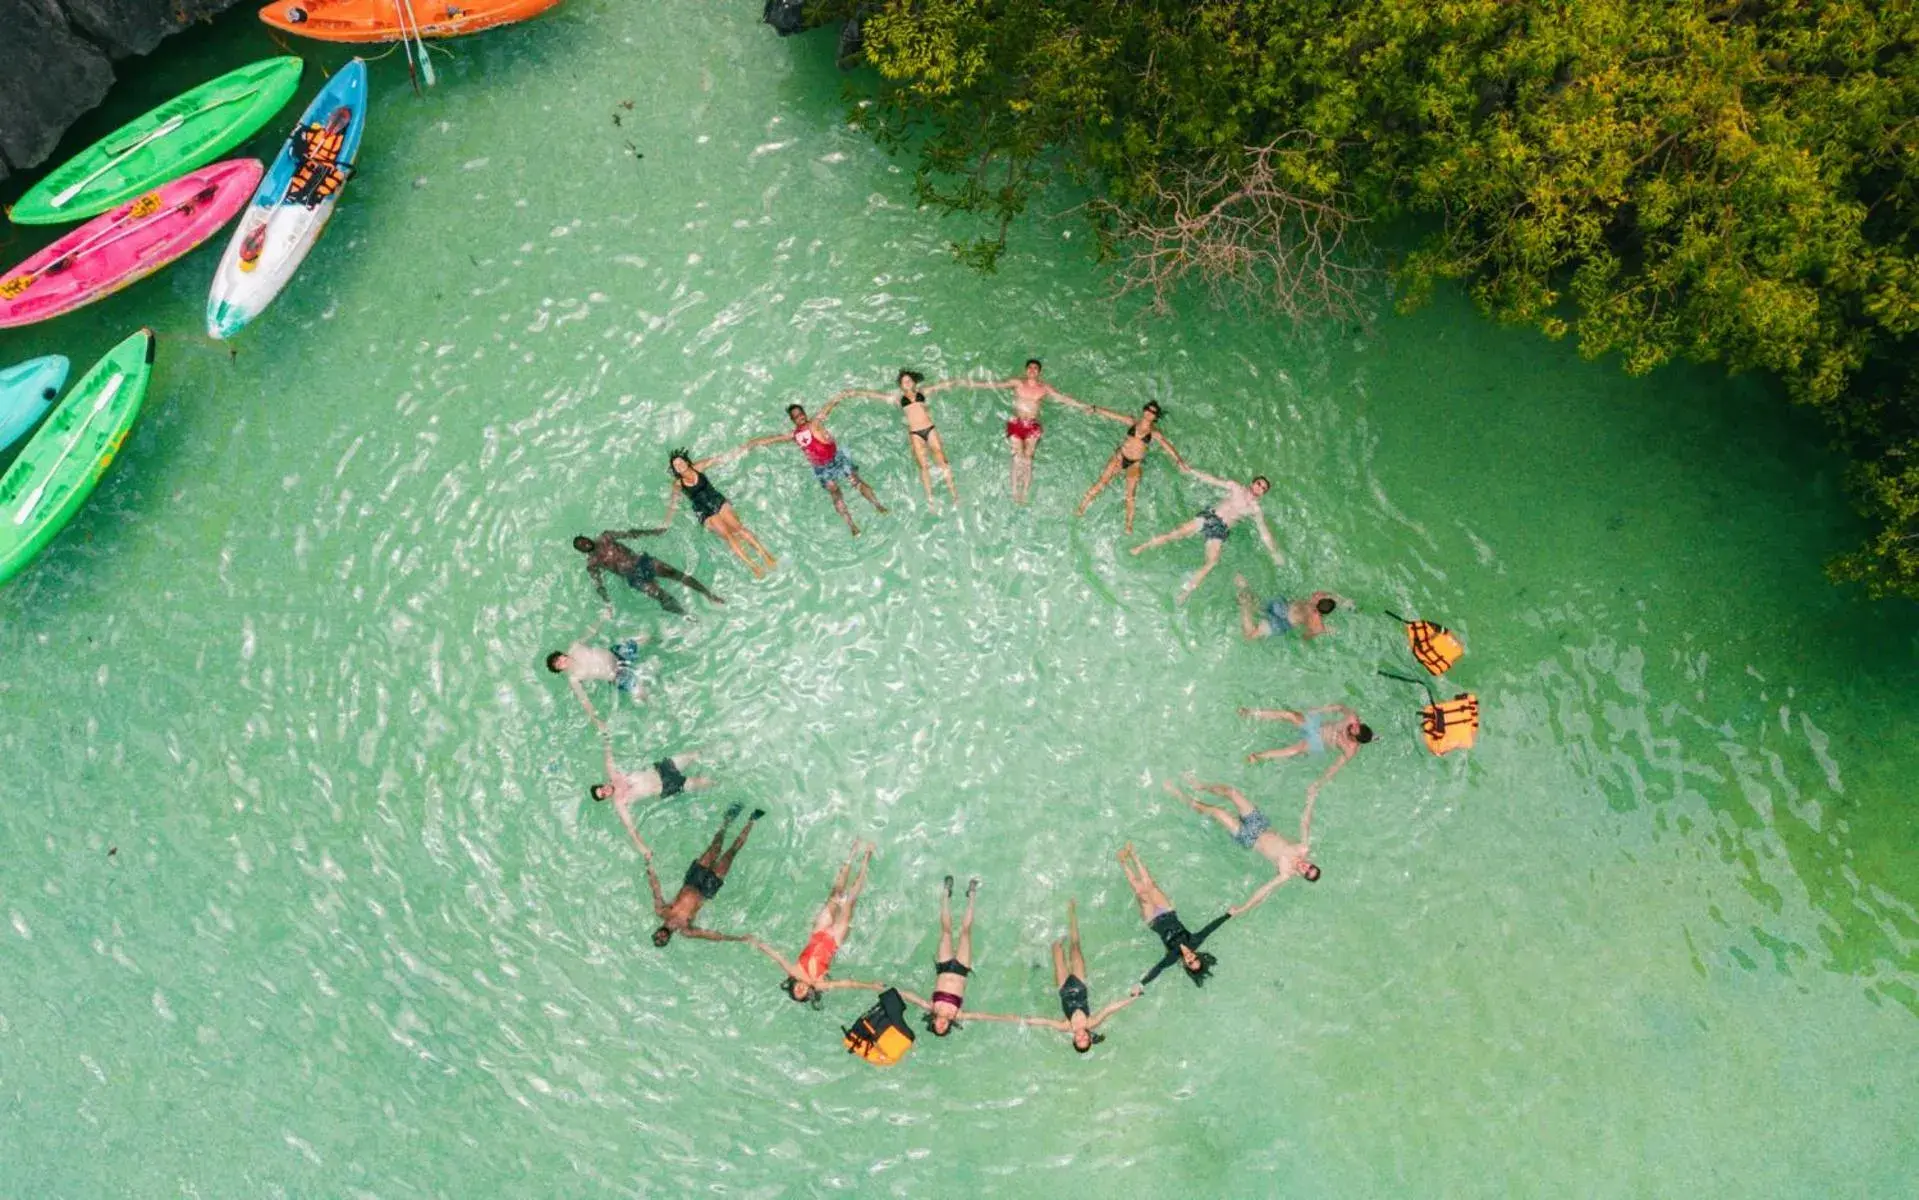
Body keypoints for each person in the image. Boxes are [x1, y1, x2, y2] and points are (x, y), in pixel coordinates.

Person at [744, 841, 887, 1004]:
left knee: (835, 895)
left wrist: (756, 943)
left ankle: (851, 854)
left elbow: (777, 956)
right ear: (809, 993)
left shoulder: (794, 972)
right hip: (834, 940)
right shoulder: (819, 984)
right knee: (850, 901)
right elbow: (847, 984)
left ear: (792, 986)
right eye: (803, 993)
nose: (800, 989)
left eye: (796, 990)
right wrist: (871, 986)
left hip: (819, 932)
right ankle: (867, 857)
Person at [1163, 776, 1319, 917]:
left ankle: (1179, 796)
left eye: (1306, 872)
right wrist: (1310, 798)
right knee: (1232, 792)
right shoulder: (1302, 848)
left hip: (1248, 837)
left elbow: (1263, 892)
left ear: (1301, 875)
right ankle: (1200, 786)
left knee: (1217, 812)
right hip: (1260, 824)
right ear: (1311, 862)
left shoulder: (1285, 873)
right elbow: (1305, 822)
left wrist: (1242, 909)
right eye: (1310, 866)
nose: (1305, 867)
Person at [1131, 466, 1283, 603]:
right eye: (1259, 484)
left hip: (1220, 530)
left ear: (1262, 494)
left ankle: (1186, 591)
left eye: (1263, 488)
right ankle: (1142, 547)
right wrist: (1190, 471)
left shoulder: (1255, 509)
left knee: (1212, 562)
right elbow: (1211, 480)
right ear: (1252, 483)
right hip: (1209, 517)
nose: (1259, 488)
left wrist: (1274, 552)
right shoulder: (1235, 487)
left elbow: (1264, 532)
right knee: (1174, 534)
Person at [1009, 899, 1144, 1053]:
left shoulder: (1065, 1026)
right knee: (1075, 946)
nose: (1081, 1037)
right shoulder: (1091, 1022)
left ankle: (1050, 923)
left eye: (1078, 1041)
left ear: (1074, 1040)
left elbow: (1044, 1022)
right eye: (1085, 1039)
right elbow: (1110, 1009)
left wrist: (1025, 1020)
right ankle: (1071, 910)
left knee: (1056, 947)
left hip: (1064, 987)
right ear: (1088, 1037)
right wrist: (1133, 998)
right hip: (1080, 984)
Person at [897, 877, 1023, 1035]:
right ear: (949, 1026)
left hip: (943, 967)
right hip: (962, 969)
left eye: (938, 1027)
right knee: (965, 933)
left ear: (933, 1022)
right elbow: (981, 1016)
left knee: (946, 931)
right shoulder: (958, 1014)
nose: (942, 1025)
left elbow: (912, 997)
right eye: (945, 1028)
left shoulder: (931, 1007)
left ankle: (945, 895)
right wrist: (1005, 1018)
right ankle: (971, 895)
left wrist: (891, 990)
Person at [741, 401, 888, 535]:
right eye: (796, 416)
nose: (800, 417)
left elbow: (829, 406)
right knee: (836, 493)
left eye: (801, 413)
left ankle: (877, 505)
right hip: (822, 468)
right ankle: (852, 526)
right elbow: (771, 439)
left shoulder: (812, 424)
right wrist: (750, 444)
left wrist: (843, 396)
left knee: (856, 481)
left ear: (805, 413)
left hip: (836, 458)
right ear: (793, 421)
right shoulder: (797, 433)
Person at [632, 803, 764, 947]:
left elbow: (656, 889)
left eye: (657, 937)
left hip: (692, 879)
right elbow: (711, 936)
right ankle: (752, 820)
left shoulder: (662, 911)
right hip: (707, 890)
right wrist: (740, 939)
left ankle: (727, 820)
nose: (661, 937)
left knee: (716, 846)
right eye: (663, 940)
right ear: (668, 940)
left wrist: (649, 866)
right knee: (731, 853)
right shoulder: (686, 930)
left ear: (655, 932)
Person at [967, 359, 1096, 504]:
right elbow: (995, 385)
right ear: (1026, 370)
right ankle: (1015, 491)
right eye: (1030, 367)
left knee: (1027, 459)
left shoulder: (1044, 388)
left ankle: (1025, 493)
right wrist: (972, 383)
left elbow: (1063, 398)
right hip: (1016, 422)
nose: (1032, 370)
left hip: (1032, 425)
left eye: (1035, 368)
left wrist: (1083, 406)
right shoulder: (1018, 383)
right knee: (1017, 457)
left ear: (1039, 372)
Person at [836, 370, 964, 507]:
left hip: (930, 429)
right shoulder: (898, 399)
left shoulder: (923, 392)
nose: (907, 382)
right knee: (924, 467)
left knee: (942, 461)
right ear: (901, 386)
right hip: (915, 434)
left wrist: (976, 383)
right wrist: (853, 392)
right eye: (904, 381)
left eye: (909, 380)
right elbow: (874, 395)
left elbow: (945, 384)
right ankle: (930, 499)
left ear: (914, 382)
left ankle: (954, 494)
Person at [1116, 843, 1228, 987]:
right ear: (1197, 955)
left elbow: (1158, 969)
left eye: (1190, 963)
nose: (1191, 959)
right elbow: (1211, 928)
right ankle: (1133, 854)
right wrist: (1228, 915)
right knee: (1150, 884)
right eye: (1195, 959)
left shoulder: (1172, 957)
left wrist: (1141, 984)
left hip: (1153, 920)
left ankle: (1123, 861)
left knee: (1141, 891)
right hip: (1168, 911)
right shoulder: (1194, 941)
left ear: (1186, 965)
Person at [661, 449, 777, 577]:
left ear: (687, 462)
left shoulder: (698, 467)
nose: (679, 466)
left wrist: (738, 453)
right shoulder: (677, 484)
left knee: (738, 528)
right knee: (729, 536)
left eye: (680, 462)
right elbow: (673, 504)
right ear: (675, 470)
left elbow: (718, 459)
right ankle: (752, 565)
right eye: (676, 466)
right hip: (705, 511)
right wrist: (666, 522)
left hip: (717, 501)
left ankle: (765, 554)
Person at [1074, 400, 1187, 532]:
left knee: (1130, 495)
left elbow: (1167, 446)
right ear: (1144, 410)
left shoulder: (1154, 432)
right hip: (1120, 456)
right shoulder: (1132, 421)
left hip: (1134, 463)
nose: (1149, 413)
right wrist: (1095, 409)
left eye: (1153, 412)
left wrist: (1179, 460)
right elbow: (1113, 415)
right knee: (1102, 482)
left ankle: (1128, 524)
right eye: (1148, 410)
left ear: (1155, 417)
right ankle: (1083, 506)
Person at [592, 742, 711, 853]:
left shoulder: (614, 774)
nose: (605, 791)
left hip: (663, 769)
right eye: (603, 794)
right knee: (705, 782)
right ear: (605, 798)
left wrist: (603, 730)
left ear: (603, 784)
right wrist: (644, 849)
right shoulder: (620, 801)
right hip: (667, 786)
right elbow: (631, 829)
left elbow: (607, 752)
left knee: (696, 753)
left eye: (602, 788)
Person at [572, 529, 720, 616]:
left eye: (584, 540)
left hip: (642, 561)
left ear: (586, 537)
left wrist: (654, 532)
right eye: (581, 546)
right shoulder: (592, 563)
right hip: (634, 578)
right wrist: (607, 602)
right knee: (661, 596)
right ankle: (685, 615)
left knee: (677, 574)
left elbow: (631, 533)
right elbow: (599, 584)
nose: (585, 544)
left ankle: (709, 594)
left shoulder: (606, 537)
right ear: (581, 551)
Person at [1242, 704, 1373, 801]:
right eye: (1356, 726)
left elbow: (1334, 768)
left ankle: (1258, 756)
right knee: (1290, 715)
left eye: (1353, 731)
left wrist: (1318, 785)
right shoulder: (1352, 718)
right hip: (1316, 726)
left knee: (1294, 750)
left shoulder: (1350, 749)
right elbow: (1338, 707)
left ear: (1355, 739)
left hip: (1318, 742)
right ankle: (1250, 712)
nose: (1353, 726)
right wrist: (1317, 710)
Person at [545, 606, 648, 726]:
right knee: (642, 695)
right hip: (619, 675)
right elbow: (584, 701)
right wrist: (597, 721)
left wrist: (602, 618)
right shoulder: (573, 678)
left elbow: (591, 632)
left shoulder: (575, 647)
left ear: (562, 654)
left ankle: (661, 640)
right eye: (559, 665)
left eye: (559, 659)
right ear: (560, 670)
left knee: (645, 637)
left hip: (617, 653)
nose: (562, 662)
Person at [1234, 575, 1345, 641]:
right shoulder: (1317, 621)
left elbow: (1330, 595)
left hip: (1282, 606)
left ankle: (1245, 589)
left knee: (1259, 605)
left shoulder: (1316, 597)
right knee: (1249, 636)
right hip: (1282, 623)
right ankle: (1245, 608)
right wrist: (1327, 630)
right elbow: (1305, 637)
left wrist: (1340, 600)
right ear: (1326, 614)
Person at [286, 108, 353, 208]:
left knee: (320, 175)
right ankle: (298, 196)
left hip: (321, 165)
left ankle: (307, 198)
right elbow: (301, 135)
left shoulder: (324, 135)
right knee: (306, 173)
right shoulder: (317, 133)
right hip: (311, 161)